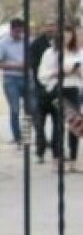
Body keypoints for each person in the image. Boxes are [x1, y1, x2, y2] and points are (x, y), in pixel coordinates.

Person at [37, 23, 81, 171]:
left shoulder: (77, 53)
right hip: (58, 90)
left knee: (75, 126)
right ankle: (57, 160)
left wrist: (77, 70)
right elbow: (42, 75)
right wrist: (59, 71)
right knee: (59, 125)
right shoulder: (50, 53)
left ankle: (73, 161)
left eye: (70, 35)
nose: (67, 38)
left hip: (73, 89)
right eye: (64, 35)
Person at [0, 18, 28, 146]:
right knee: (15, 108)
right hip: (11, 78)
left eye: (21, 31)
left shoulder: (26, 41)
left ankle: (29, 135)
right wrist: (16, 65)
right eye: (16, 31)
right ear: (11, 30)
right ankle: (17, 136)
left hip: (26, 77)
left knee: (31, 108)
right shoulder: (2, 43)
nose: (18, 34)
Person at [30, 21, 58, 162]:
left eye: (53, 25)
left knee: (57, 122)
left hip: (58, 90)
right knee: (39, 122)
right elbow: (34, 66)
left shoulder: (62, 43)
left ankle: (56, 152)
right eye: (48, 25)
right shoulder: (37, 44)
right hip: (39, 88)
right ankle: (40, 152)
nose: (50, 28)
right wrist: (42, 84)